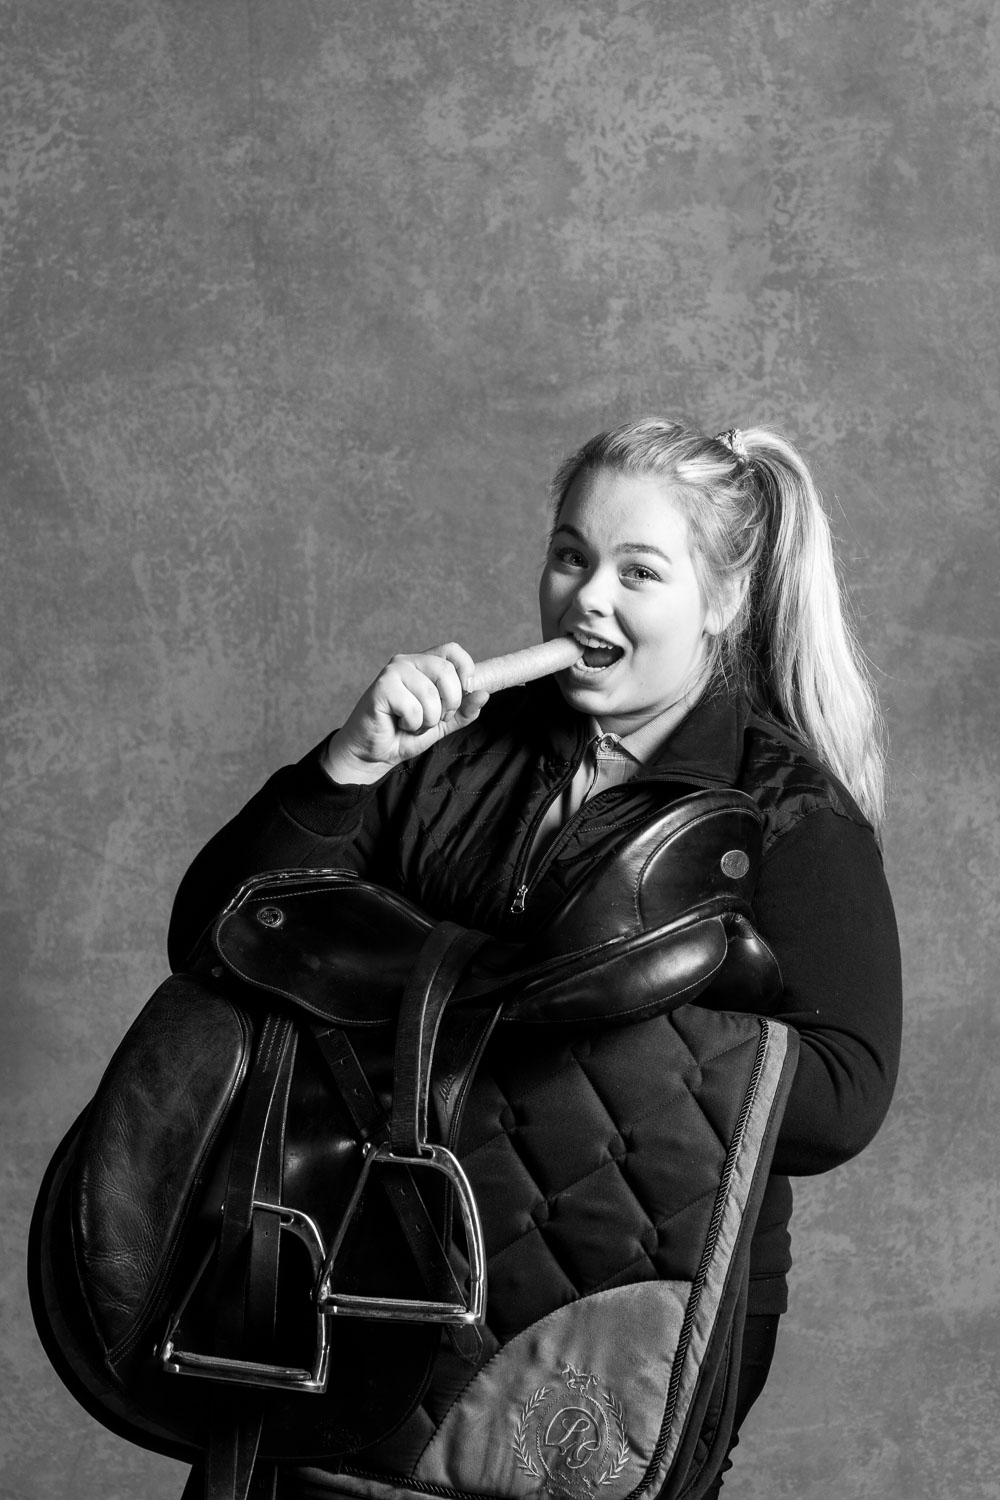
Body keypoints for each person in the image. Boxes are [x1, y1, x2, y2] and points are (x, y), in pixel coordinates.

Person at [168, 417, 902, 1494]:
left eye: (637, 571)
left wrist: (533, 1023)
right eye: (570, 555)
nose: (587, 598)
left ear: (723, 601)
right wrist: (349, 765)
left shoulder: (784, 812)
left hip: (634, 1292)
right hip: (382, 1250)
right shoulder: (449, 749)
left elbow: (844, 1092)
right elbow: (214, 939)